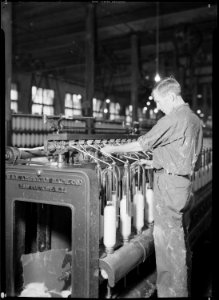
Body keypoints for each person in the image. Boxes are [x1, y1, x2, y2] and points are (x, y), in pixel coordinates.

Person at [101, 76, 203, 297]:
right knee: (180, 241)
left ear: (172, 96)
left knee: (168, 249)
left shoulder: (174, 118)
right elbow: (181, 153)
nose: (158, 107)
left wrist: (112, 150)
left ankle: (172, 294)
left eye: (159, 102)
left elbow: (142, 143)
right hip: (182, 186)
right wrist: (154, 162)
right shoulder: (193, 119)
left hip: (168, 188)